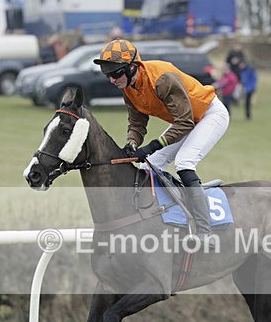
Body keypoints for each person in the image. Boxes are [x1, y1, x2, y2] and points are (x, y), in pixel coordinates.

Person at [93, 39, 230, 247]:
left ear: (132, 67)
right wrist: (131, 143)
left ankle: (205, 231)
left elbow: (184, 122)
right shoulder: (128, 86)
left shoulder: (162, 79)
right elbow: (137, 123)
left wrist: (153, 145)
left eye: (115, 73)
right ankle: (159, 217)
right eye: (108, 74)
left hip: (209, 114)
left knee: (184, 162)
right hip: (186, 120)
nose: (112, 79)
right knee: (148, 166)